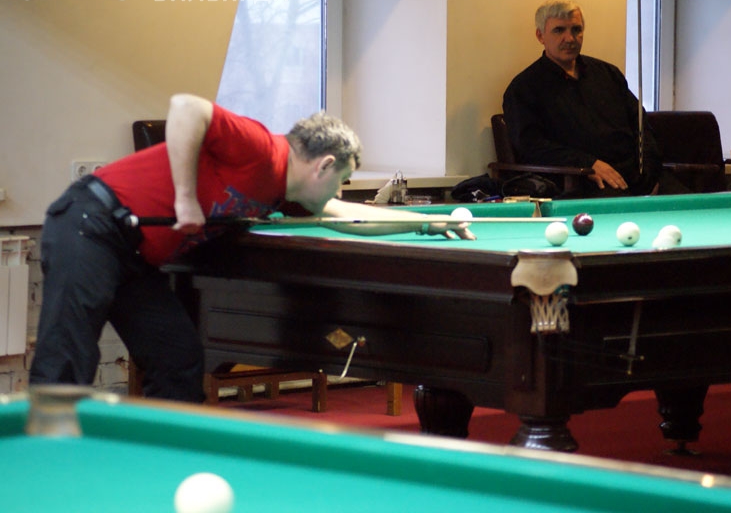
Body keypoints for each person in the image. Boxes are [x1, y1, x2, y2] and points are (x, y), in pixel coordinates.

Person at [29, 94, 474, 402]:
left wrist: (428, 222)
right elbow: (186, 107)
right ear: (324, 165)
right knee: (67, 357)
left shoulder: (285, 191)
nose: (338, 190)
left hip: (136, 257)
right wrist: (185, 197)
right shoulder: (260, 148)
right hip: (90, 223)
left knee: (178, 358)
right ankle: (44, 467)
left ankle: (167, 466)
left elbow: (349, 216)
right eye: (341, 179)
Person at [503, 0, 684, 198]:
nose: (569, 38)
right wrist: (588, 164)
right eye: (559, 30)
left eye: (576, 30)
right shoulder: (524, 88)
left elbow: (641, 124)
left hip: (640, 176)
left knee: (689, 203)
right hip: (583, 181)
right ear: (540, 36)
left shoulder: (608, 74)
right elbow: (531, 147)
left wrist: (649, 171)